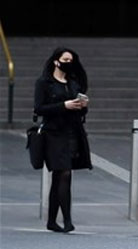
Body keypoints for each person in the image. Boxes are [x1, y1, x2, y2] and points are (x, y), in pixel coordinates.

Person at [34, 47, 92, 233]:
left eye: (71, 60)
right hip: (53, 133)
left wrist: (82, 106)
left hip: (72, 132)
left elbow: (80, 112)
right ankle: (67, 220)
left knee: (60, 176)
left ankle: (52, 221)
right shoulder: (44, 82)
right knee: (64, 172)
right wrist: (63, 105)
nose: (69, 63)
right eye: (65, 60)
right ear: (56, 61)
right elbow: (39, 108)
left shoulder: (73, 83)